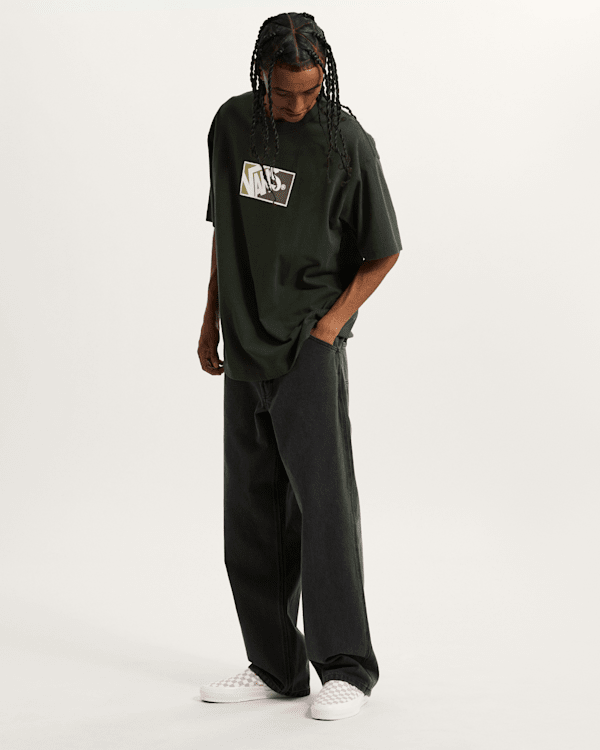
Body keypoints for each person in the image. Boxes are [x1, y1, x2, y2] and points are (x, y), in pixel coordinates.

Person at [197, 12, 402, 721]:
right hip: (246, 342)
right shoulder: (231, 127)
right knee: (252, 514)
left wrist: (328, 330)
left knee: (325, 512)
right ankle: (275, 664)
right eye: (284, 92)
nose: (297, 104)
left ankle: (346, 668)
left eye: (310, 91)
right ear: (261, 75)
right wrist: (210, 318)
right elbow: (225, 228)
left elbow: (383, 250)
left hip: (308, 347)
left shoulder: (345, 141)